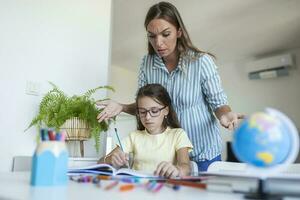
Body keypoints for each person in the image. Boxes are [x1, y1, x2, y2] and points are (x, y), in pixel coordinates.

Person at [97, 1, 244, 171]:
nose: (158, 42)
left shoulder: (201, 62)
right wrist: (121, 107)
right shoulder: (147, 64)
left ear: (179, 32)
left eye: (165, 34)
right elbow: (146, 107)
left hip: (203, 153)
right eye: (152, 36)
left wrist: (224, 115)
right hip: (165, 156)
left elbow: (219, 104)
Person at [98, 84, 193, 178]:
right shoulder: (134, 137)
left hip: (165, 189)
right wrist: (110, 159)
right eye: (142, 112)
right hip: (137, 189)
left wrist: (177, 170)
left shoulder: (178, 135)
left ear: (166, 110)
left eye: (154, 111)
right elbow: (100, 162)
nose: (147, 117)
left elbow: (186, 167)